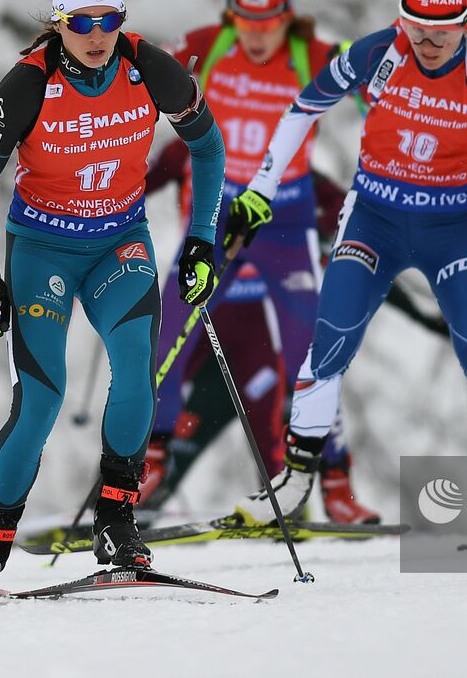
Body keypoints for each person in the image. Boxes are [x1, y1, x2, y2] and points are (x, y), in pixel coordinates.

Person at [222, 0, 467, 534]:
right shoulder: (378, 52)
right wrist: (261, 188)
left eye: (441, 35)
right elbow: (302, 107)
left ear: (466, 25)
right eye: (416, 30)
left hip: (451, 228)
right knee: (330, 341)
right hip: (374, 222)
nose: (426, 45)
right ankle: (295, 482)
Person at [0, 0, 226, 595]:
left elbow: (209, 147)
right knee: (42, 399)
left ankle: (116, 519)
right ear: (58, 20)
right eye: (80, 21)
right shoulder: (27, 83)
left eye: (109, 19)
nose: (97, 34)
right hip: (41, 250)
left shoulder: (149, 67)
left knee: (136, 367)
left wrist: (202, 240)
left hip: (118, 244)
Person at [141, 0, 380, 522]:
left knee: (313, 355)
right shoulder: (206, 46)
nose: (254, 34)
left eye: (267, 23)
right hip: (219, 210)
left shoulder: (313, 56)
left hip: (284, 215)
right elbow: (135, 77)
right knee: (166, 335)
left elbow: (384, 86)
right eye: (245, 21)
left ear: (286, 19)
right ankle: (147, 463)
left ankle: (335, 484)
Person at [139, 141, 449, 520]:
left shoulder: (286, 167)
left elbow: (353, 231)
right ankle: (116, 503)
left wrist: (424, 315)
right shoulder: (189, 146)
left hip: (258, 329)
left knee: (270, 419)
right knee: (156, 395)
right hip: (201, 318)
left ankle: (293, 506)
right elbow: (132, 184)